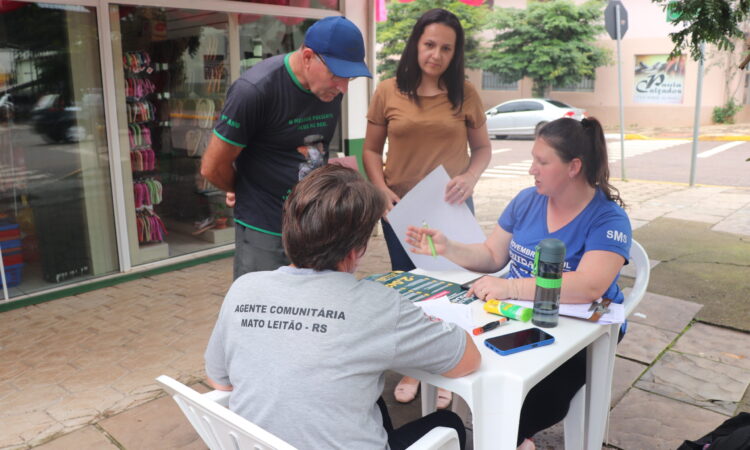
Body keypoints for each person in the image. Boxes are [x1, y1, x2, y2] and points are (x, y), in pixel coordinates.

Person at [204, 165, 481, 450]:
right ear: (355, 251)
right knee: (449, 423)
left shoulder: (243, 289)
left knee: (371, 401)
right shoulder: (378, 304)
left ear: (289, 229)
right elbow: (468, 360)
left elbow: (219, 379)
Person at [406, 117, 632, 450]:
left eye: (542, 162)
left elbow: (589, 287)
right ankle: (513, 438)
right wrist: (447, 247)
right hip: (518, 314)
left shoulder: (608, 218)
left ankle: (515, 436)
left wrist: (510, 288)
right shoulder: (528, 200)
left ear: (574, 167)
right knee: (478, 372)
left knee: (529, 402)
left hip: (585, 330)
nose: (532, 170)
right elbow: (492, 255)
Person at [362, 7, 492, 409]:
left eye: (446, 48)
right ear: (416, 44)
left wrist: (470, 177)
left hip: (449, 208)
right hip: (398, 208)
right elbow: (370, 149)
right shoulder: (387, 90)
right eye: (429, 44)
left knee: (449, 287)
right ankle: (413, 367)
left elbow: (482, 149)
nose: (436, 55)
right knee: (408, 290)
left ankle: (448, 367)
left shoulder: (465, 93)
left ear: (455, 54)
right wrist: (380, 190)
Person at [200, 16, 371, 280]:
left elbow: (317, 150)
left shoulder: (329, 90)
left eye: (350, 78)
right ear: (307, 57)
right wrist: (242, 189)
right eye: (337, 75)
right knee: (262, 309)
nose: (343, 88)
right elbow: (212, 167)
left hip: (314, 224)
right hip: (265, 229)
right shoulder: (254, 90)